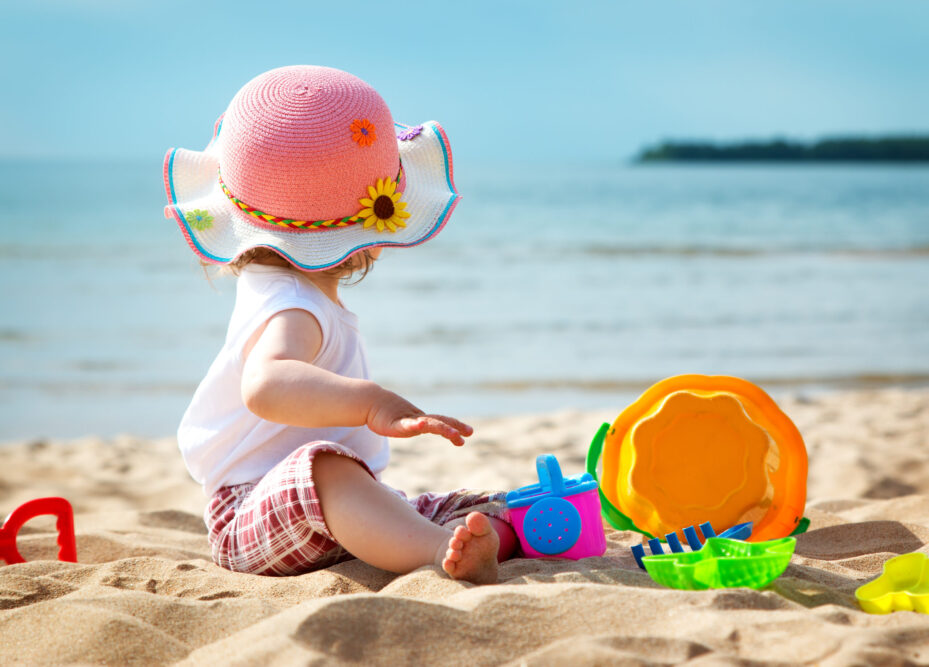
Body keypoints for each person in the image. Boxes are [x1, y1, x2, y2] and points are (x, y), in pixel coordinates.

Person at [162, 65, 517, 585]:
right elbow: (266, 384)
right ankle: (442, 550)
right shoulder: (292, 306)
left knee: (483, 504)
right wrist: (370, 401)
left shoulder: (286, 291)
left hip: (326, 507)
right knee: (326, 469)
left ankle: (487, 537)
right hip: (248, 515)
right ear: (373, 227)